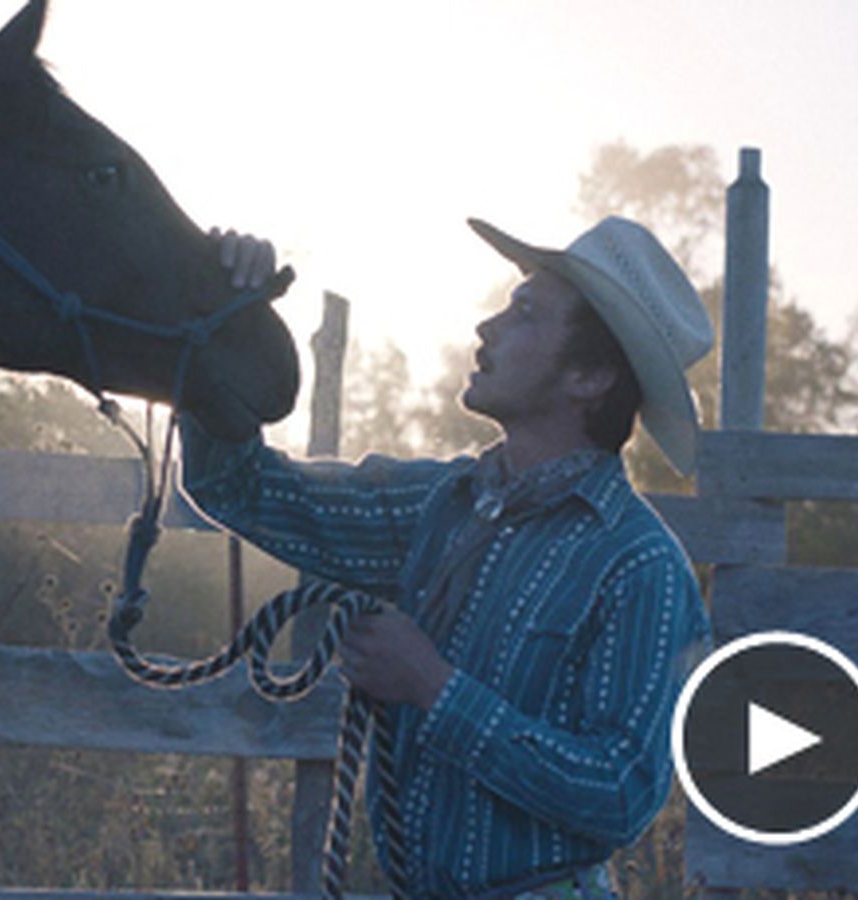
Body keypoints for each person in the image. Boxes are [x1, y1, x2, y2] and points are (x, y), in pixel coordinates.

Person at [190, 218, 715, 898]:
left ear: (590, 376)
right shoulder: (437, 506)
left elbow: (619, 795)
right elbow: (237, 487)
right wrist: (219, 312)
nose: (486, 328)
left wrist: (433, 687)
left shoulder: (639, 567)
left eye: (524, 313)